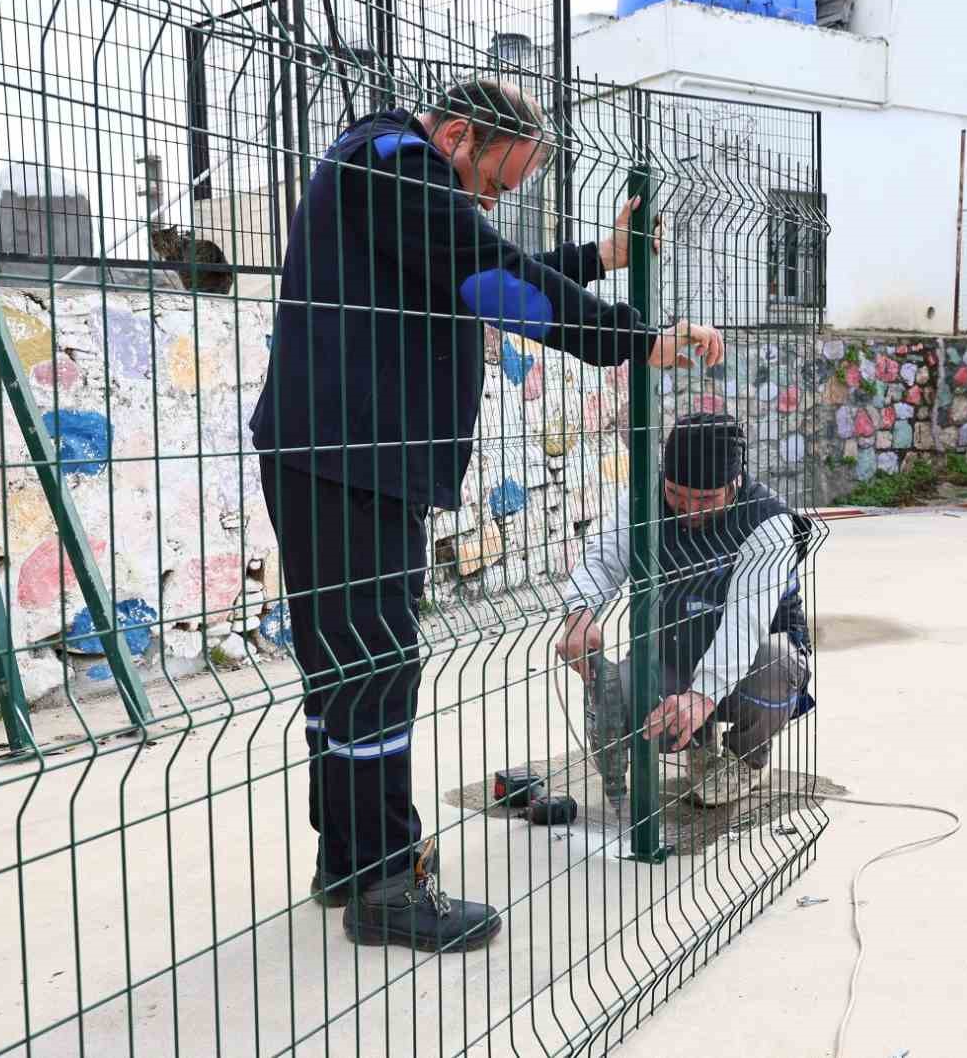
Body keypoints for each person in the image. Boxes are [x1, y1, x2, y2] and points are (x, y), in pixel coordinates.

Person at [250, 78, 725, 954]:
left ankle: (349, 859)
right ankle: (386, 882)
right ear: (458, 138)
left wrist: (600, 257)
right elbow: (491, 273)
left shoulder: (385, 175)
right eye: (495, 182)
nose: (491, 200)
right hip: (354, 460)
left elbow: (472, 259)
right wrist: (635, 339)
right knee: (378, 665)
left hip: (335, 455)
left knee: (344, 666)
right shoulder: (393, 163)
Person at [556, 413, 812, 808]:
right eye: (676, 493)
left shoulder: (769, 522)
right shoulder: (644, 499)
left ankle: (747, 758)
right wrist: (580, 612)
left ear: (735, 482)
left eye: (705, 499)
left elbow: (745, 621)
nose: (689, 509)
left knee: (778, 662)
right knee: (615, 693)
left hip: (753, 663)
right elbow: (603, 560)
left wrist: (704, 693)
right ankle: (698, 743)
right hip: (673, 654)